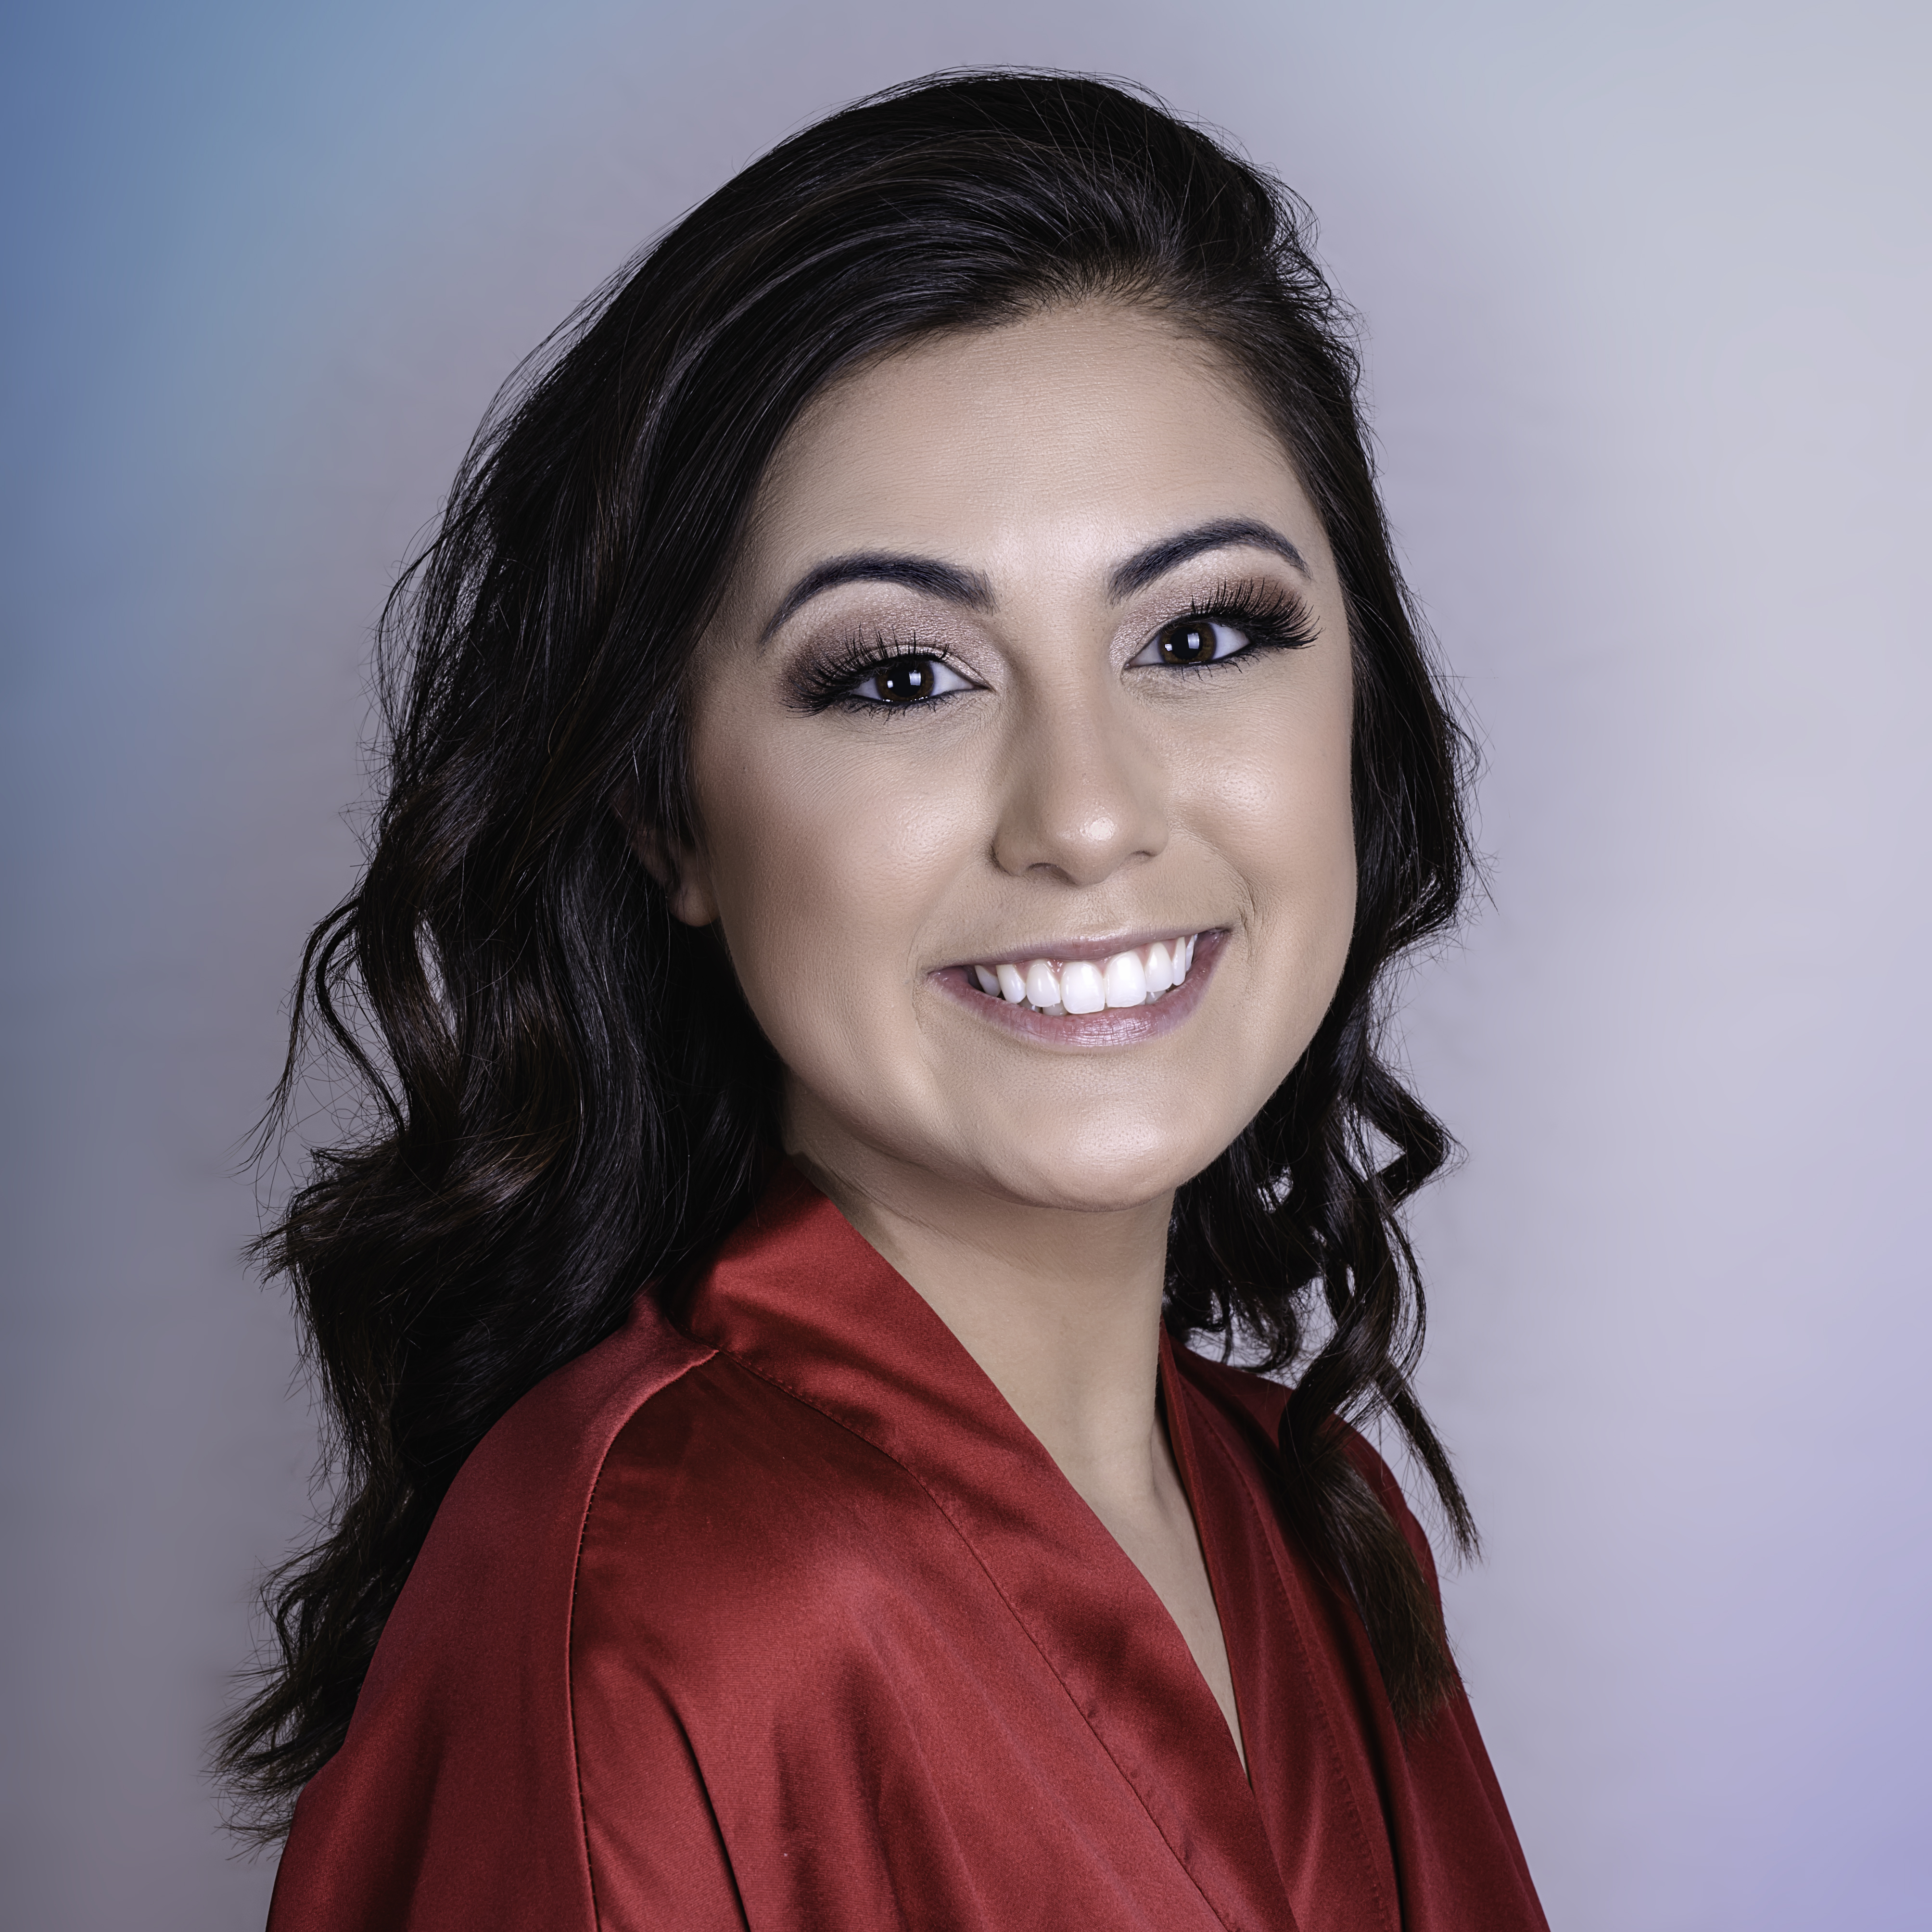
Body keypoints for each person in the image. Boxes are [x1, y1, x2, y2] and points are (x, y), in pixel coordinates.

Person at [225, 70, 1549, 1932]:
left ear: (1363, 714)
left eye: (1200, 635)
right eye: (899, 676)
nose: (1088, 816)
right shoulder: (653, 1617)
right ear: (665, 814)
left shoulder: (1325, 1533)